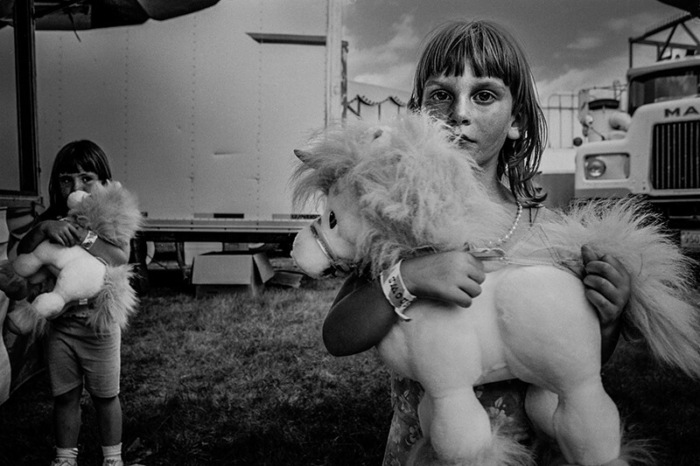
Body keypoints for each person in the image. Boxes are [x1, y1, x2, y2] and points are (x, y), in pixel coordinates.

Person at [321, 20, 632, 465]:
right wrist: (407, 278)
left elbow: (578, 363)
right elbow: (338, 335)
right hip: (425, 452)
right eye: (441, 95)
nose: (459, 112)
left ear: (516, 121)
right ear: (418, 114)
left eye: (484, 95)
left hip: (531, 453)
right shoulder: (395, 224)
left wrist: (609, 316)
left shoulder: (550, 235)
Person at [14, 140, 133, 466]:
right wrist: (43, 228)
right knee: (65, 395)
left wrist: (84, 235)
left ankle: (112, 459)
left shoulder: (112, 218)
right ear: (56, 184)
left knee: (106, 395)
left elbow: (120, 257)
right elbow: (23, 253)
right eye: (66, 179)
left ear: (104, 182)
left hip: (99, 323)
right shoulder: (52, 219)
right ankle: (65, 457)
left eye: (86, 178)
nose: (76, 187)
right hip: (61, 324)